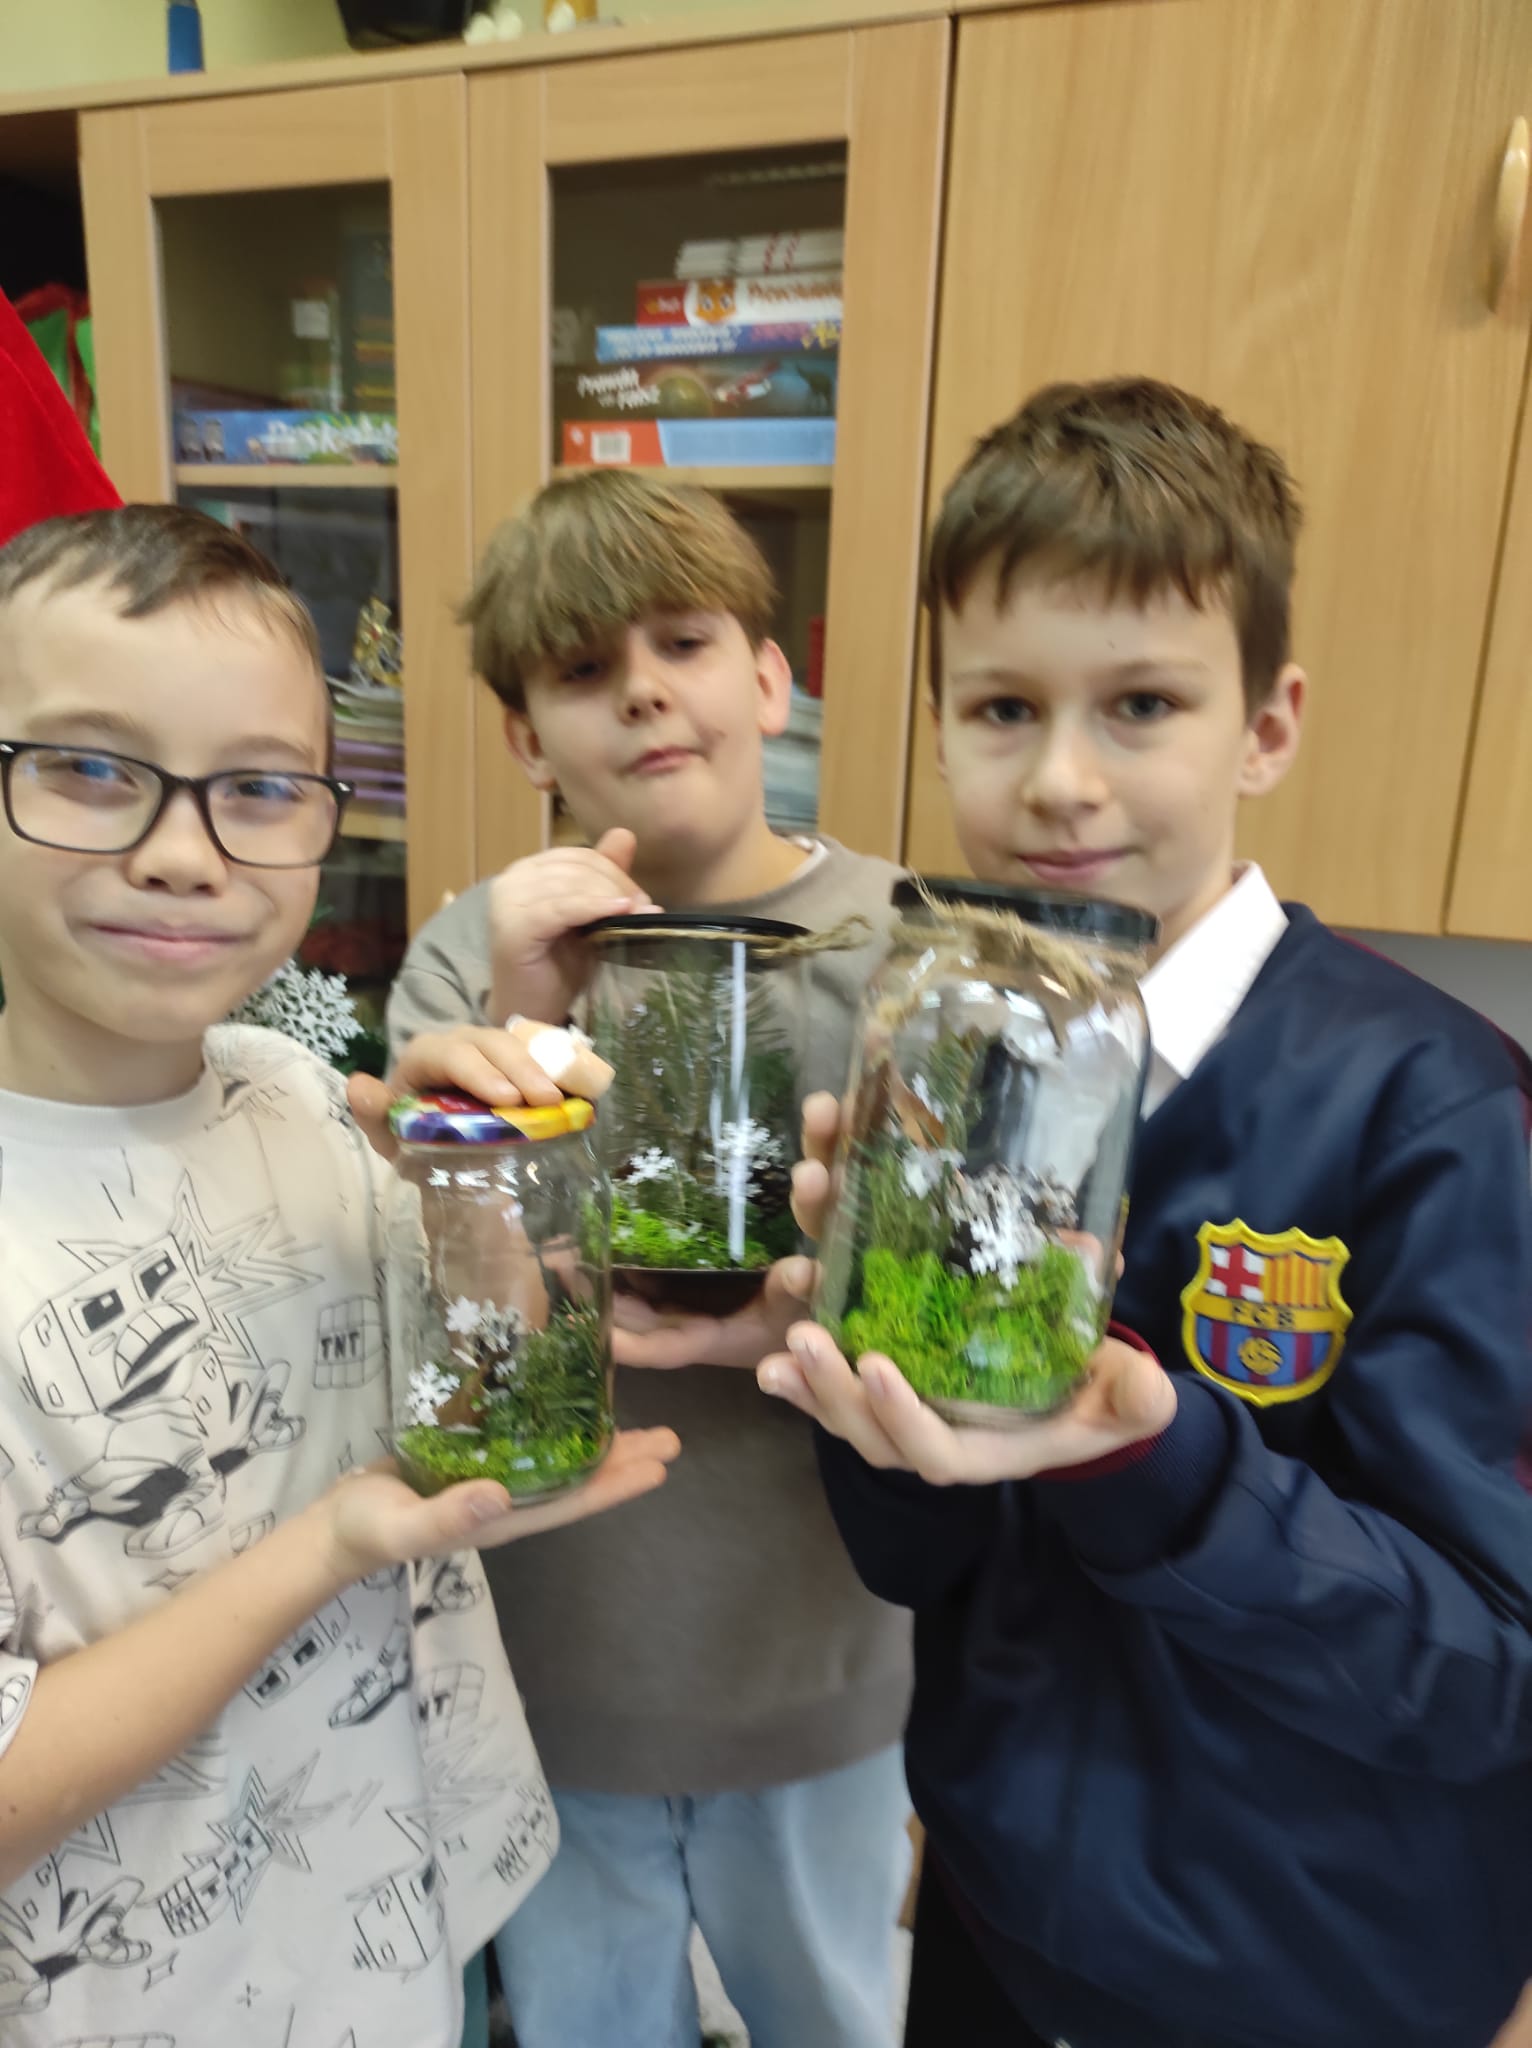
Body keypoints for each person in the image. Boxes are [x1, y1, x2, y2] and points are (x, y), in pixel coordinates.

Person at [754, 377, 1532, 2048]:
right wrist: (862, 1384)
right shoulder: (954, 1072)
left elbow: (1490, 1665)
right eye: (1003, 708)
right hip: (997, 1918)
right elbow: (919, 1559)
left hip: (1307, 1981)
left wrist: (1149, 1461)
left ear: (1267, 725)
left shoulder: (1442, 1111)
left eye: (1142, 706)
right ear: (940, 720)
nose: (1060, 781)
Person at [0, 503, 678, 2048]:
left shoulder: (296, 1095)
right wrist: (330, 1546)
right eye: (90, 769)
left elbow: (487, 1370)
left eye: (256, 788)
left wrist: (471, 1161)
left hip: (395, 1931)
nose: (184, 856)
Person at [388, 468, 913, 2048]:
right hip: (552, 1680)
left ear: (770, 680)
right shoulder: (465, 958)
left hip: (821, 1668)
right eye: (581, 668)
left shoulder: (904, 946)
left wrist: (797, 1317)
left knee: (836, 2017)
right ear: (524, 737)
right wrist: (526, 1020)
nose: (641, 691)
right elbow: (455, 1313)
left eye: (684, 643)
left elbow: (964, 1313)